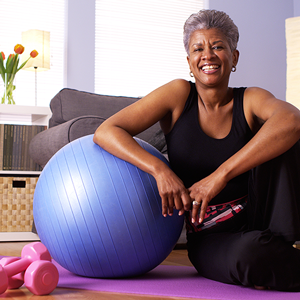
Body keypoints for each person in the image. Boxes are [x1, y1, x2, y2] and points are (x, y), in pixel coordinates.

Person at [93, 9, 300, 291]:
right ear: (189, 61)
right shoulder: (178, 95)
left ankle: (285, 244)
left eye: (218, 46)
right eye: (198, 48)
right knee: (251, 256)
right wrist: (160, 170)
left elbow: (292, 120)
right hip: (213, 237)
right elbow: (107, 131)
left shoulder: (250, 99)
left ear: (234, 57)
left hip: (266, 220)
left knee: (284, 133)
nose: (208, 55)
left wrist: (221, 175)